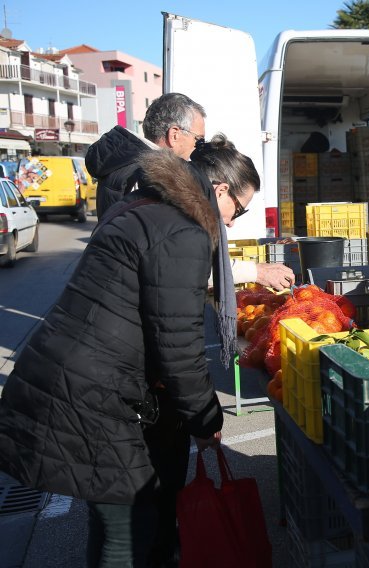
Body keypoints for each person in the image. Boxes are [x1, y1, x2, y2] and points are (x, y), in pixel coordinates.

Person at [0, 134, 259, 567]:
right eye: (240, 208)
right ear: (219, 191)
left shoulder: (142, 206)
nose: (234, 222)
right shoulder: (184, 231)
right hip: (91, 393)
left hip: (73, 379)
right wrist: (206, 418)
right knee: (130, 530)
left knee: (116, 516)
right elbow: (178, 345)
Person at [86, 92, 295, 291]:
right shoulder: (146, 177)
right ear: (174, 135)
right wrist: (254, 272)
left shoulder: (125, 168)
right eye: (199, 140)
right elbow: (174, 262)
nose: (200, 149)